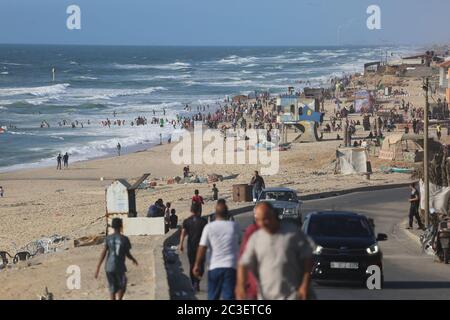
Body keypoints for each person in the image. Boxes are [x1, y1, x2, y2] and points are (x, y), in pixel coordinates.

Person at [236, 201, 314, 300]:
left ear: (275, 216)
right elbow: (243, 263)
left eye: (266, 219)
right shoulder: (256, 238)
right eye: (259, 220)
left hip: (292, 296)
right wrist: (241, 287)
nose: (263, 223)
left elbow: (307, 261)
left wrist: (304, 285)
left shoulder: (293, 233)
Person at [193, 201, 240, 300]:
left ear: (215, 213)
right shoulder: (234, 226)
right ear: (227, 213)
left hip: (215, 267)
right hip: (231, 267)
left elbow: (202, 247)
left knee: (213, 297)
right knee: (229, 297)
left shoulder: (209, 227)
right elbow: (240, 243)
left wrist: (197, 264)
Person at [95, 218, 138, 300]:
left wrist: (98, 267)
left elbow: (104, 253)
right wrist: (133, 259)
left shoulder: (108, 238)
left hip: (109, 267)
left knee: (112, 287)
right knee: (122, 283)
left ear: (112, 226)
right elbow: (127, 253)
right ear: (121, 226)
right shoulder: (124, 239)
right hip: (119, 266)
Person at [180, 202, 208, 292]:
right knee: (201, 265)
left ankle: (193, 283)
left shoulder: (187, 221)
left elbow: (183, 233)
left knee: (192, 265)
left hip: (191, 247)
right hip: (201, 247)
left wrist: (181, 244)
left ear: (191, 210)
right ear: (199, 210)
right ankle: (197, 282)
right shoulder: (204, 221)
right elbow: (208, 235)